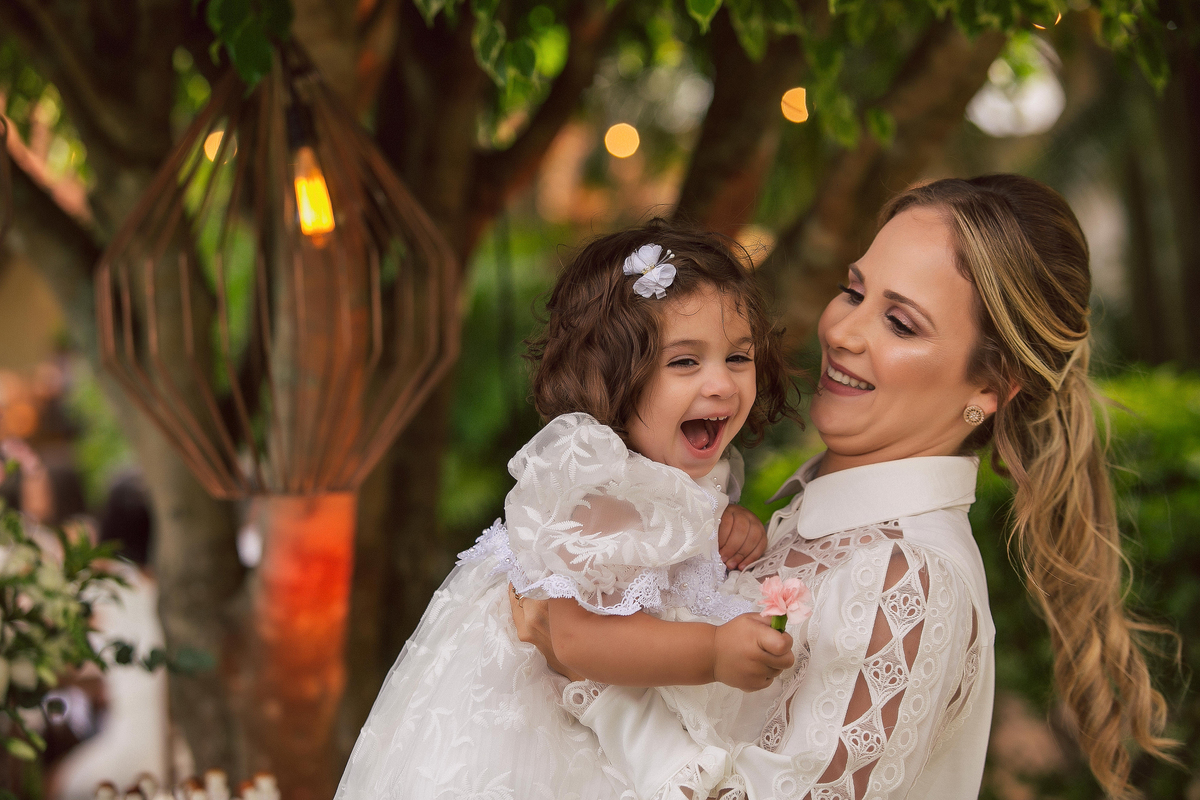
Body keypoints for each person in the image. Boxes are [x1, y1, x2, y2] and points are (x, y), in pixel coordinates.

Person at [514, 175, 1176, 800]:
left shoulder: (904, 578)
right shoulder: (798, 520)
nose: (842, 331)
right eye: (855, 291)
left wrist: (592, 679)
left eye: (901, 323)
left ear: (990, 388)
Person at [335, 221, 804, 799]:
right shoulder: (597, 486)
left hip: (615, 716)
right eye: (685, 363)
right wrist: (711, 652)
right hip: (539, 731)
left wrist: (725, 525)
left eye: (738, 357)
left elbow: (676, 540)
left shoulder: (685, 470)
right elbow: (574, 639)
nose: (722, 383)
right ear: (612, 377)